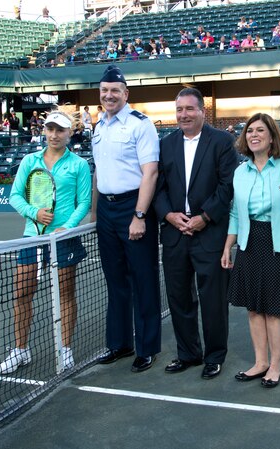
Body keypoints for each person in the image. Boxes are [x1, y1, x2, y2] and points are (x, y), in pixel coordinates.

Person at [0, 111, 92, 376]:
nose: (54, 135)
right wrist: (33, 213)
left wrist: (66, 228)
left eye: (60, 130)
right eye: (50, 129)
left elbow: (83, 202)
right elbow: (15, 196)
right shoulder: (29, 161)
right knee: (22, 294)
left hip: (63, 239)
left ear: (69, 133)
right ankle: (20, 350)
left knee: (65, 294)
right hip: (32, 236)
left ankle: (65, 349)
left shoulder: (79, 165)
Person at [153, 87, 238, 380]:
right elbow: (158, 186)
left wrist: (204, 217)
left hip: (209, 233)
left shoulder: (223, 142)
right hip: (175, 233)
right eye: (179, 110)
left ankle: (214, 356)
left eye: (190, 109)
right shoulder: (165, 145)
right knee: (179, 297)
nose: (184, 115)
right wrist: (168, 215)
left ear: (203, 111)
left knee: (213, 299)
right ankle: (188, 353)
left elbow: (227, 186)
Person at [222, 113, 280, 389]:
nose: (254, 135)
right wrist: (228, 246)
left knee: (274, 310)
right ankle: (260, 363)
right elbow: (236, 212)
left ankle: (275, 366)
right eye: (250, 131)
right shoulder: (240, 172)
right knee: (253, 309)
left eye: (260, 130)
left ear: (272, 136)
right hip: (249, 244)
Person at [91, 65, 161, 373]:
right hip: (106, 211)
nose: (109, 95)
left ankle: (146, 348)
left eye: (115, 91)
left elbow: (151, 172)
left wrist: (139, 215)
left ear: (125, 94)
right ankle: (119, 343)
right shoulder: (98, 126)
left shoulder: (140, 125)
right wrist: (95, 212)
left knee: (143, 280)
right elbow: (99, 172)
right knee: (115, 281)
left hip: (133, 206)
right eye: (104, 90)